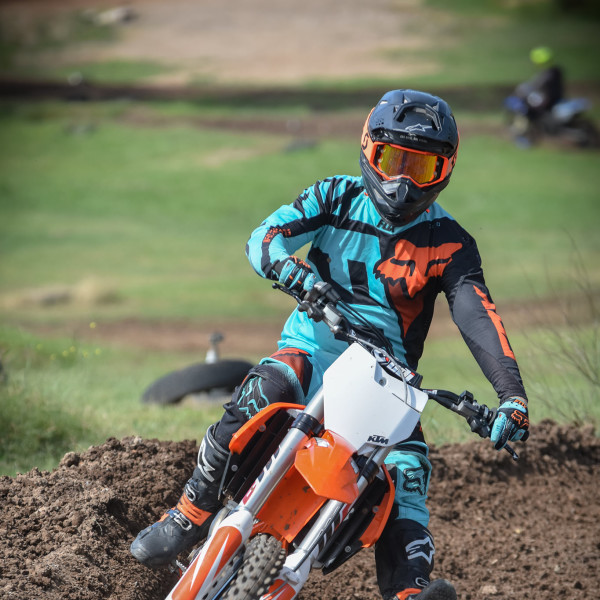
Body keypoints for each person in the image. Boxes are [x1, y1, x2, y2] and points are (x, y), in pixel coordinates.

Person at [130, 89, 530, 600]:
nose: (402, 181)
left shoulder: (451, 242)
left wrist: (510, 396)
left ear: (445, 170)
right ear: (367, 149)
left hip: (389, 383)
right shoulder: (335, 196)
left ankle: (410, 592)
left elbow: (478, 314)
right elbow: (264, 237)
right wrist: (292, 274)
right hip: (312, 349)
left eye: (421, 167)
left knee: (408, 480)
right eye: (391, 160)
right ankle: (188, 515)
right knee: (260, 390)